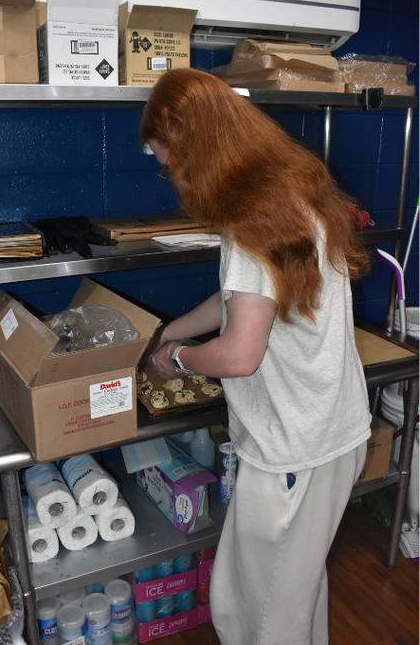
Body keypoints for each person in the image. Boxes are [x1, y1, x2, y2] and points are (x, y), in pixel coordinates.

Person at [139, 68, 371, 645]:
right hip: (329, 434)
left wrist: (180, 359)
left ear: (195, 148)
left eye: (167, 159)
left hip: (293, 445)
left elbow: (241, 353)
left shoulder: (250, 223)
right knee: (293, 591)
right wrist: (169, 331)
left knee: (254, 610)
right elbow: (242, 301)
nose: (167, 173)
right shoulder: (292, 191)